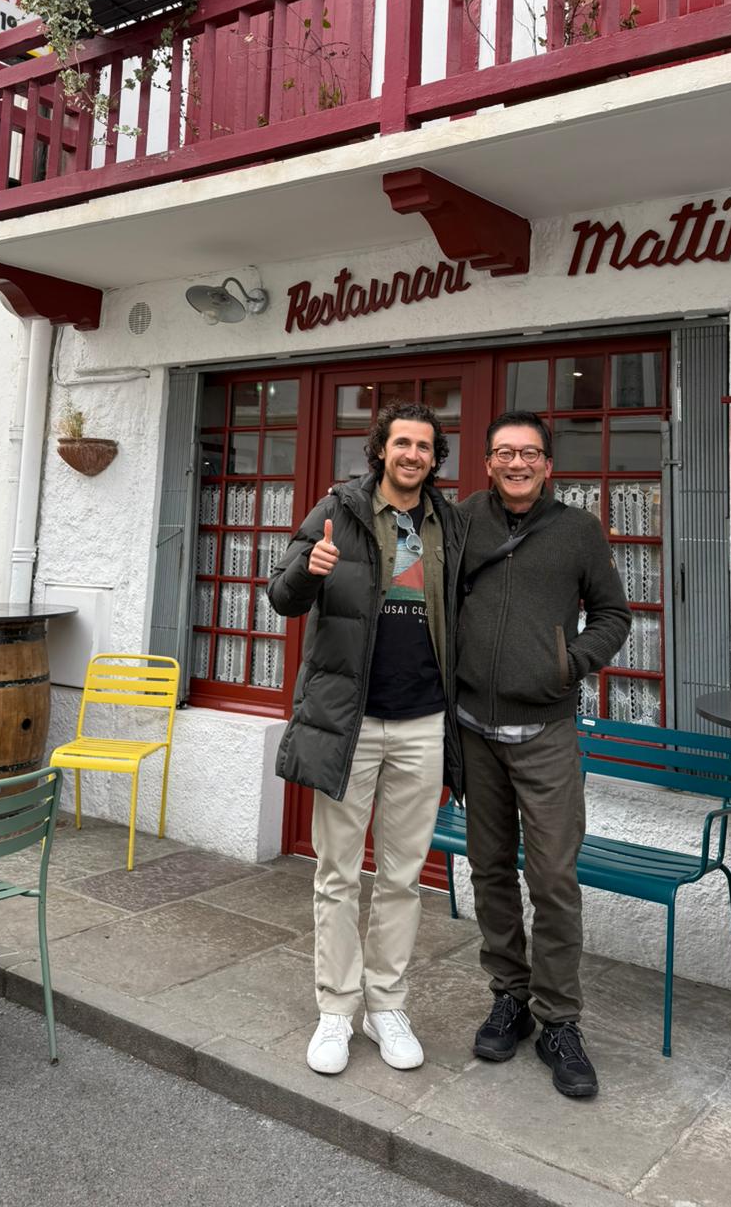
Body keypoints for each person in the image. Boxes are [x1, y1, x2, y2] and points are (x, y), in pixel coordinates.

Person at [269, 402, 466, 1077]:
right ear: (380, 450)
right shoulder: (336, 512)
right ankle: (336, 1009)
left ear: (435, 457)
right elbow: (282, 595)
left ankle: (387, 1004)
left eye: (424, 445)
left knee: (404, 877)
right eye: (401, 442)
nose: (412, 454)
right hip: (349, 722)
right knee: (337, 873)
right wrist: (309, 569)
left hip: (423, 722)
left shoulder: (449, 522)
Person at [455, 410, 630, 1099]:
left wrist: (570, 664)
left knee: (553, 879)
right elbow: (420, 587)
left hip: (547, 735)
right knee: (490, 870)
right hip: (473, 729)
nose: (517, 462)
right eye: (504, 452)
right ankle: (510, 997)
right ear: (489, 462)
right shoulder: (463, 521)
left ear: (549, 466)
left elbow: (614, 614)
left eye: (529, 453)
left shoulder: (579, 531)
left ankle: (560, 1019)